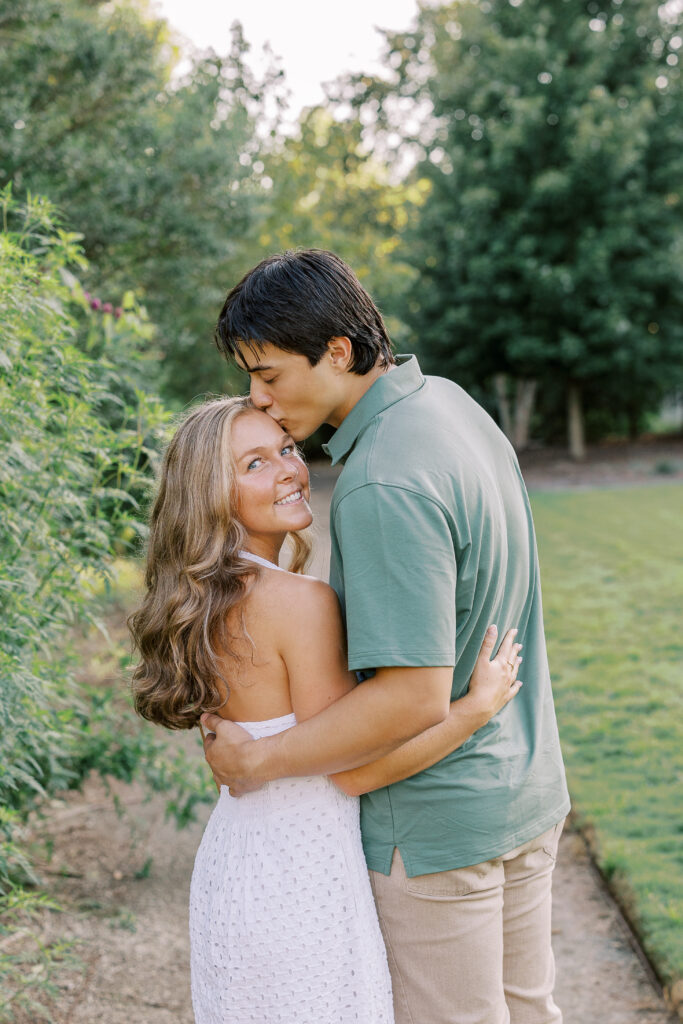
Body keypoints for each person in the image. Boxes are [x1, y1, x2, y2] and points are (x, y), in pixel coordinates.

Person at [203, 249, 572, 1024]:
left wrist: (259, 758)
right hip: (526, 786)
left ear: (336, 352)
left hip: (436, 830)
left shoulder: (379, 482)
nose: (259, 399)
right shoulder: (450, 406)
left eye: (268, 375)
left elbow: (410, 698)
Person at [128, 395, 522, 1024]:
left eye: (285, 449)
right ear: (210, 493)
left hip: (235, 865)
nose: (288, 468)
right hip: (301, 877)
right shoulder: (298, 602)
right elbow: (356, 768)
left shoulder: (204, 599)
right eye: (254, 464)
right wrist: (476, 708)